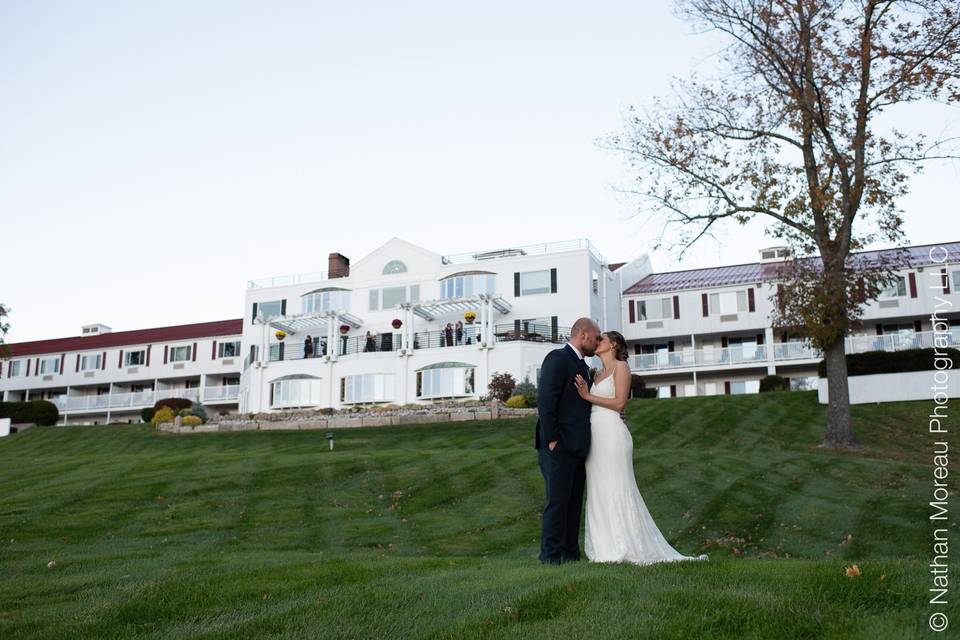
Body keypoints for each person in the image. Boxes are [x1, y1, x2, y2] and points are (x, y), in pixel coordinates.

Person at [573, 330, 707, 565]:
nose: (597, 341)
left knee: (617, 485)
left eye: (602, 338)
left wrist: (587, 396)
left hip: (613, 436)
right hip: (595, 437)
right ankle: (605, 548)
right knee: (598, 490)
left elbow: (619, 403)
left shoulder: (621, 368)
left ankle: (626, 545)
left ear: (613, 344)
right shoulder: (596, 374)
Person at [535, 317, 600, 564]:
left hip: (577, 447)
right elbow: (546, 400)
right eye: (596, 337)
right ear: (583, 335)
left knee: (573, 504)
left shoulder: (582, 365)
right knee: (558, 502)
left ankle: (570, 555)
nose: (597, 342)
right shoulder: (557, 358)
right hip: (558, 445)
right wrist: (552, 439)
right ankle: (550, 557)